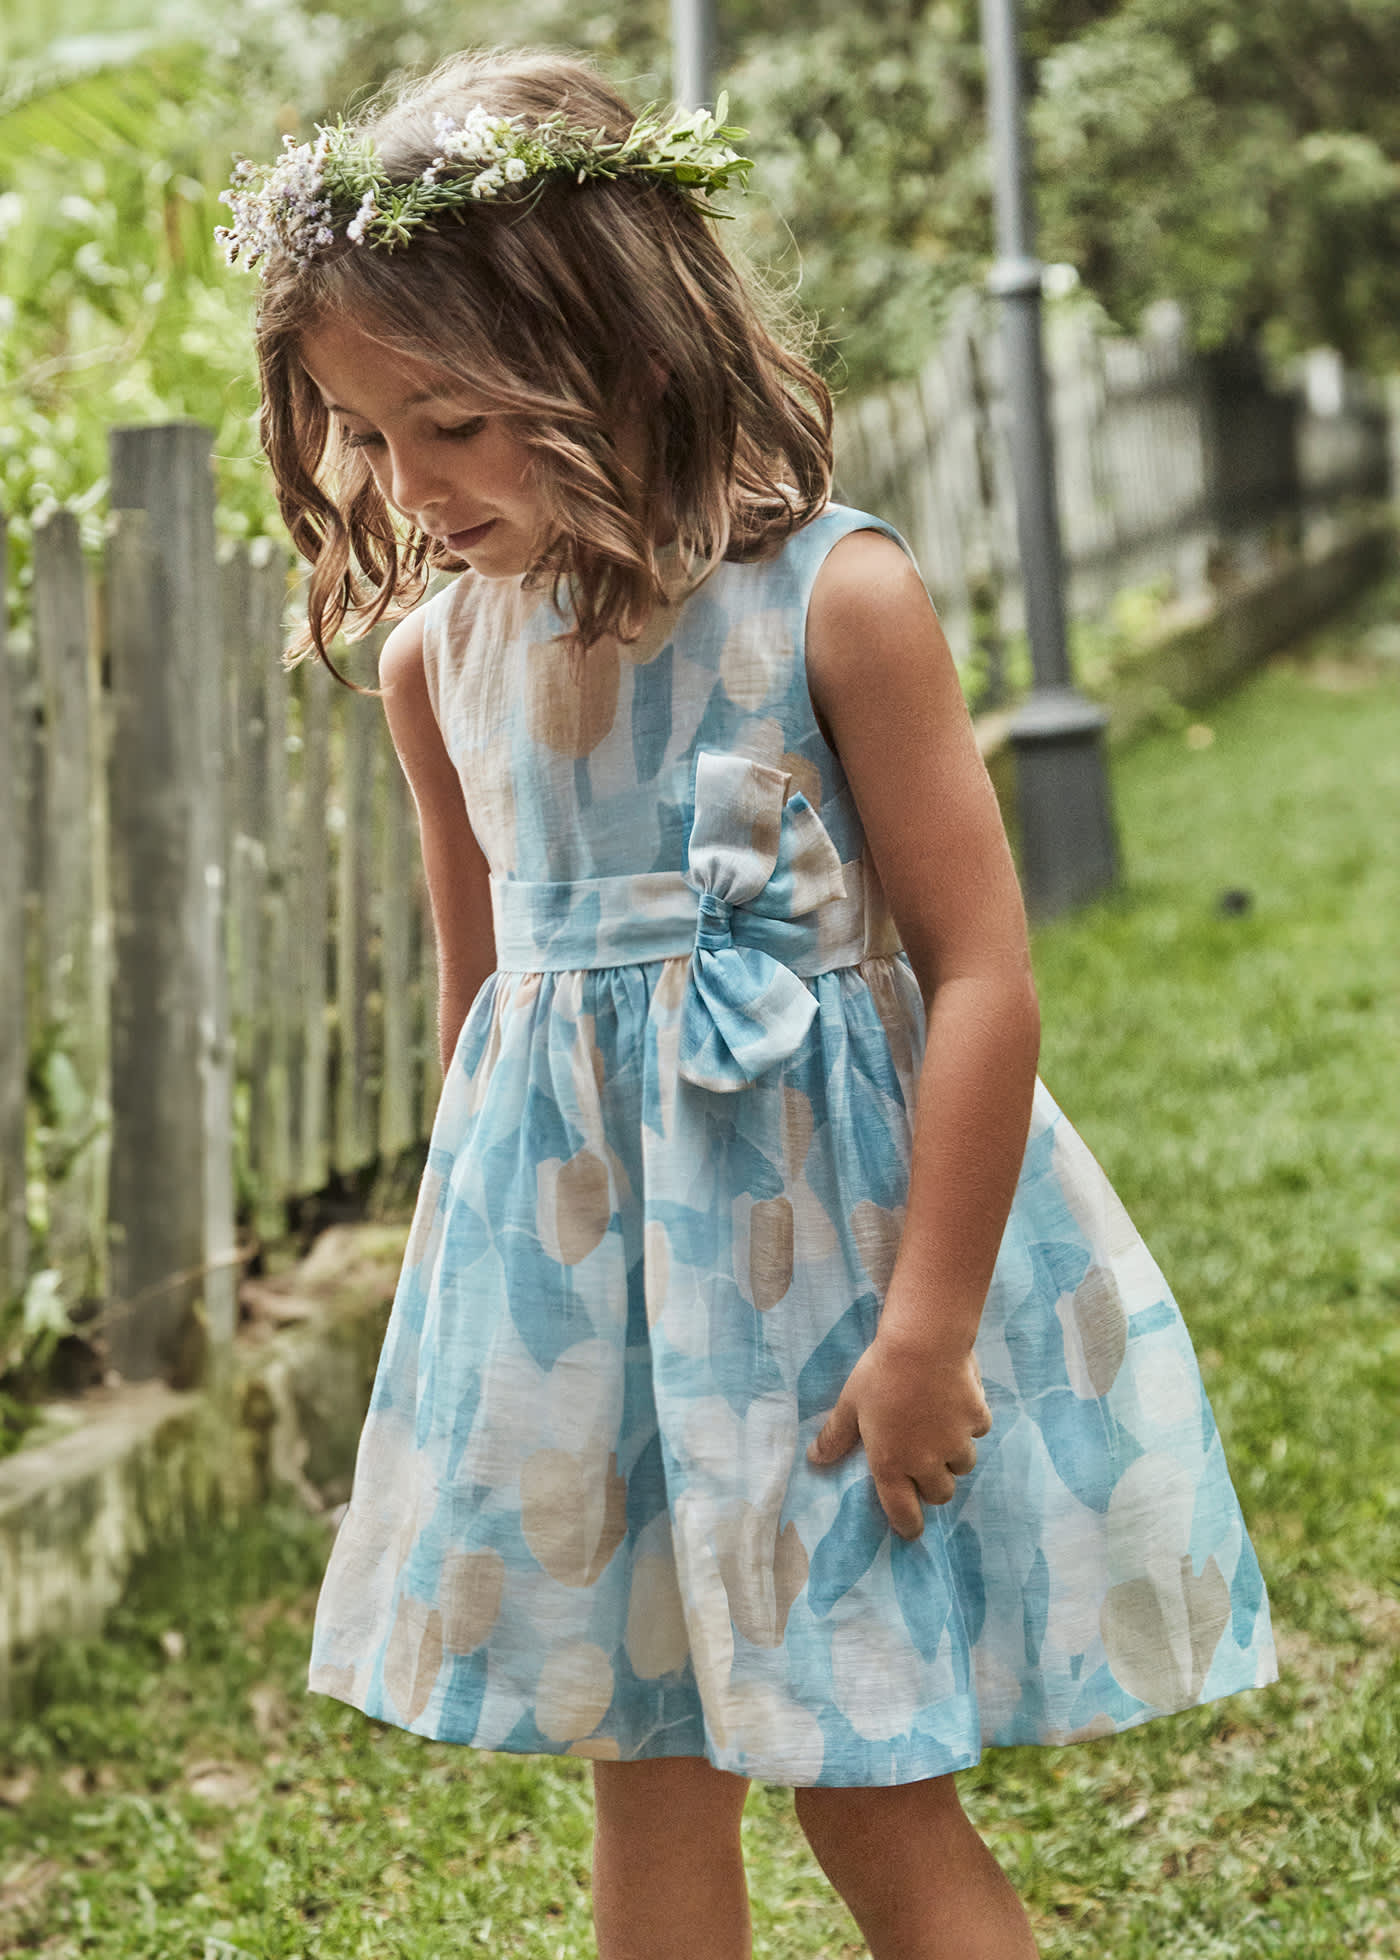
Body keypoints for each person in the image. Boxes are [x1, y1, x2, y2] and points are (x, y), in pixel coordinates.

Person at [222, 48, 1276, 1959]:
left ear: (618, 353)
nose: (410, 487)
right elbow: (490, 1032)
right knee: (647, 1772)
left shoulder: (829, 603)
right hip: (593, 1316)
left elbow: (980, 977)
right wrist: (483, 1347)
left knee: (868, 1787)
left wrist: (929, 1329)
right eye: (370, 439)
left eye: (453, 422)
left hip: (823, 1301)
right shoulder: (433, 668)